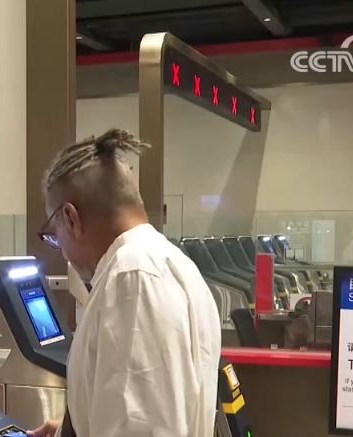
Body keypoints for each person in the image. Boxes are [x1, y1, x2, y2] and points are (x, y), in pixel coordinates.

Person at [27, 128, 222, 437]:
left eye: (54, 235)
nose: (60, 249)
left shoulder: (133, 279)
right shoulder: (170, 264)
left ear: (71, 218)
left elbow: (140, 427)